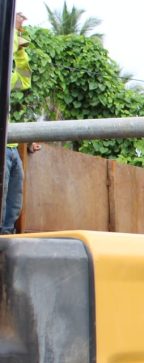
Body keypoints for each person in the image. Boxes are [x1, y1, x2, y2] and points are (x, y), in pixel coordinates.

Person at [1, 12, 37, 235]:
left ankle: (5, 240)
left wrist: (22, 50)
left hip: (12, 148)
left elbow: (24, 79)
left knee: (13, 205)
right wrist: (13, 30)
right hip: (2, 150)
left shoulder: (6, 79)